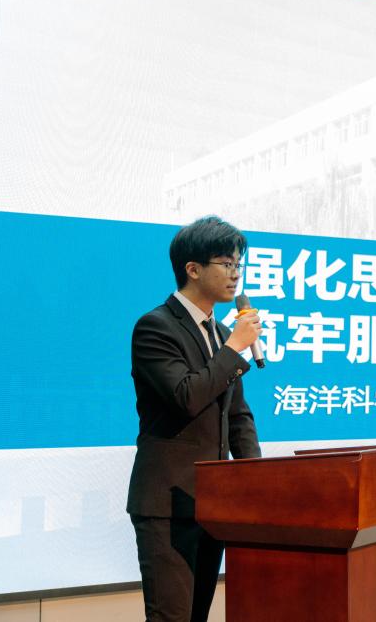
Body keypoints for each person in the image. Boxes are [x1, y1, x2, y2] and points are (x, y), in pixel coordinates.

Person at [126, 216, 263, 622]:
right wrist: (235, 348)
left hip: (212, 503)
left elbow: (237, 416)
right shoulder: (155, 327)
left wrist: (260, 482)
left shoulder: (220, 333)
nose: (235, 274)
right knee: (171, 617)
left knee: (197, 615)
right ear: (193, 269)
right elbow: (186, 397)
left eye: (238, 264)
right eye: (226, 263)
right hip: (168, 502)